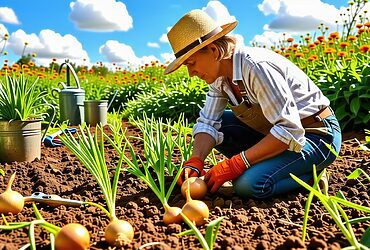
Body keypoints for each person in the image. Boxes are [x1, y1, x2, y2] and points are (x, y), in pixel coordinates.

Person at [164, 9, 342, 199]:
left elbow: (289, 130)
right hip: (276, 134)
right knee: (221, 124)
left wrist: (236, 164)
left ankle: (310, 177)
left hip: (316, 136)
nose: (191, 73)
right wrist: (196, 160)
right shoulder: (219, 77)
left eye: (191, 63)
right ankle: (270, 164)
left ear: (214, 51)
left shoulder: (256, 67)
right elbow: (208, 122)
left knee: (248, 185)